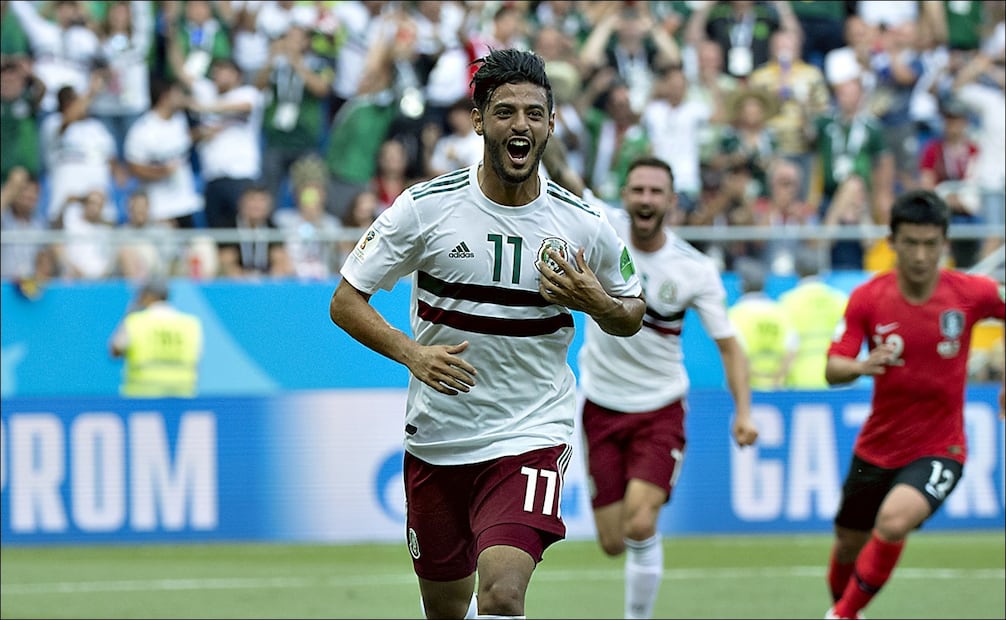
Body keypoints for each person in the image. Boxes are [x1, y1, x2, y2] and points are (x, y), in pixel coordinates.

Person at [328, 48, 646, 619]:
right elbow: (346, 300)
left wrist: (594, 301)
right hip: (438, 440)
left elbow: (631, 312)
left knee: (502, 592)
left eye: (533, 113)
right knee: (448, 610)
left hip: (531, 432)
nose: (519, 125)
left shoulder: (584, 223)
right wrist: (411, 353)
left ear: (550, 124)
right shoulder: (424, 210)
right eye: (504, 113)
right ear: (479, 121)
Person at [575, 156, 759, 619]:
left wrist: (744, 413)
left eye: (656, 192)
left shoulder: (693, 268)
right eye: (637, 190)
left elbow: (731, 347)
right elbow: (564, 173)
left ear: (672, 202)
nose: (646, 200)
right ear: (624, 195)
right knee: (613, 541)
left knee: (640, 521)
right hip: (600, 403)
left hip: (660, 408)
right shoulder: (602, 228)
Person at [823, 189, 1006, 620]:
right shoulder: (868, 298)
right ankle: (847, 610)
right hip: (877, 447)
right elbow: (832, 369)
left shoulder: (970, 292)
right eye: (911, 243)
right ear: (893, 243)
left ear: (944, 244)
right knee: (848, 542)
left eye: (930, 244)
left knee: (892, 521)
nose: (921, 256)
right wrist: (861, 365)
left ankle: (841, 615)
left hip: (941, 447)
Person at [109, 278, 204, 398]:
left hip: (143, 396)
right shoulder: (190, 324)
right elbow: (197, 358)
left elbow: (115, 350)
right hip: (182, 395)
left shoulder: (135, 322)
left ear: (149, 296)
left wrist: (128, 315)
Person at [778, 246, 848, 389]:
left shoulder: (788, 301)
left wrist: (779, 380)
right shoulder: (839, 299)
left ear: (797, 270)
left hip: (801, 379)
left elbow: (788, 344)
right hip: (837, 378)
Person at [727, 256, 798, 390]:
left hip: (746, 389)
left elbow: (735, 356)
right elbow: (792, 351)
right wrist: (776, 381)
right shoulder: (781, 311)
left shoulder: (735, 314)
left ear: (742, 285)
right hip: (779, 389)